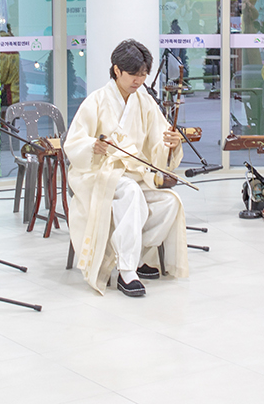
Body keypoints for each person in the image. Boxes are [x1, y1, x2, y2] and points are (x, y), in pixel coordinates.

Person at [64, 40, 187, 297]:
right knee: (131, 192)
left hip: (134, 172)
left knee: (169, 202)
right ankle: (127, 271)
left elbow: (159, 142)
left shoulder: (145, 102)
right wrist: (93, 146)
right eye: (133, 74)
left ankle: (137, 255)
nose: (139, 80)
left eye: (143, 74)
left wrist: (172, 144)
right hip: (99, 173)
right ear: (117, 70)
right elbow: (74, 143)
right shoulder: (96, 101)